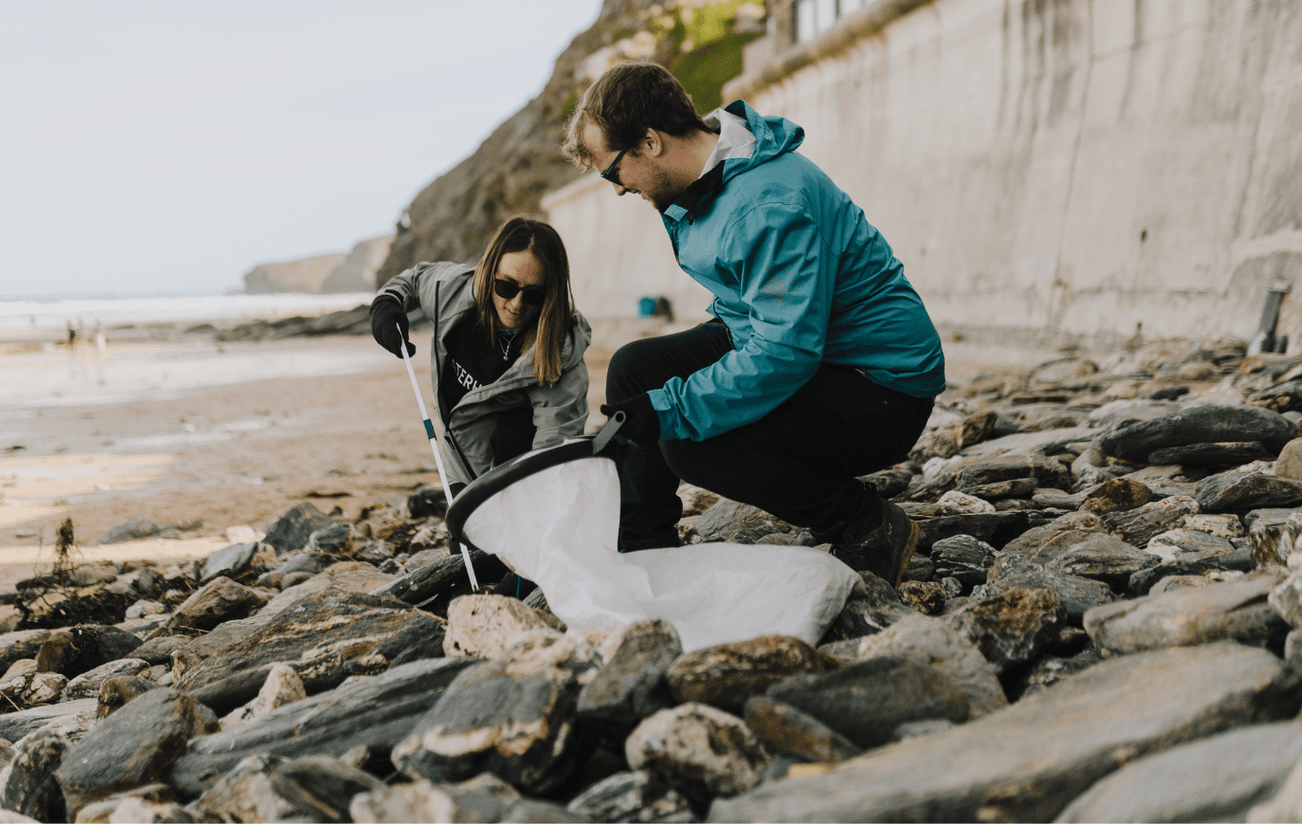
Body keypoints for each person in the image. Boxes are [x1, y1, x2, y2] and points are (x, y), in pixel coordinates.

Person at [561, 62, 946, 585]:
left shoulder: (765, 203)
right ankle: (645, 550)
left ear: (649, 142)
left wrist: (673, 406)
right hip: (800, 344)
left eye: (613, 172)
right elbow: (752, 307)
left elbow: (787, 352)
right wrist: (659, 398)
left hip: (879, 387)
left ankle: (866, 523)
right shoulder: (708, 176)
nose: (618, 189)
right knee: (636, 368)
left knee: (691, 441)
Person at [369, 217, 592, 490]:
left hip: (516, 482)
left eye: (533, 294)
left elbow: (553, 453)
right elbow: (414, 281)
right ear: (488, 271)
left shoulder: (558, 354)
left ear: (551, 293)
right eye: (506, 287)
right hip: (457, 467)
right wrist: (386, 304)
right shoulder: (451, 291)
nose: (516, 304)